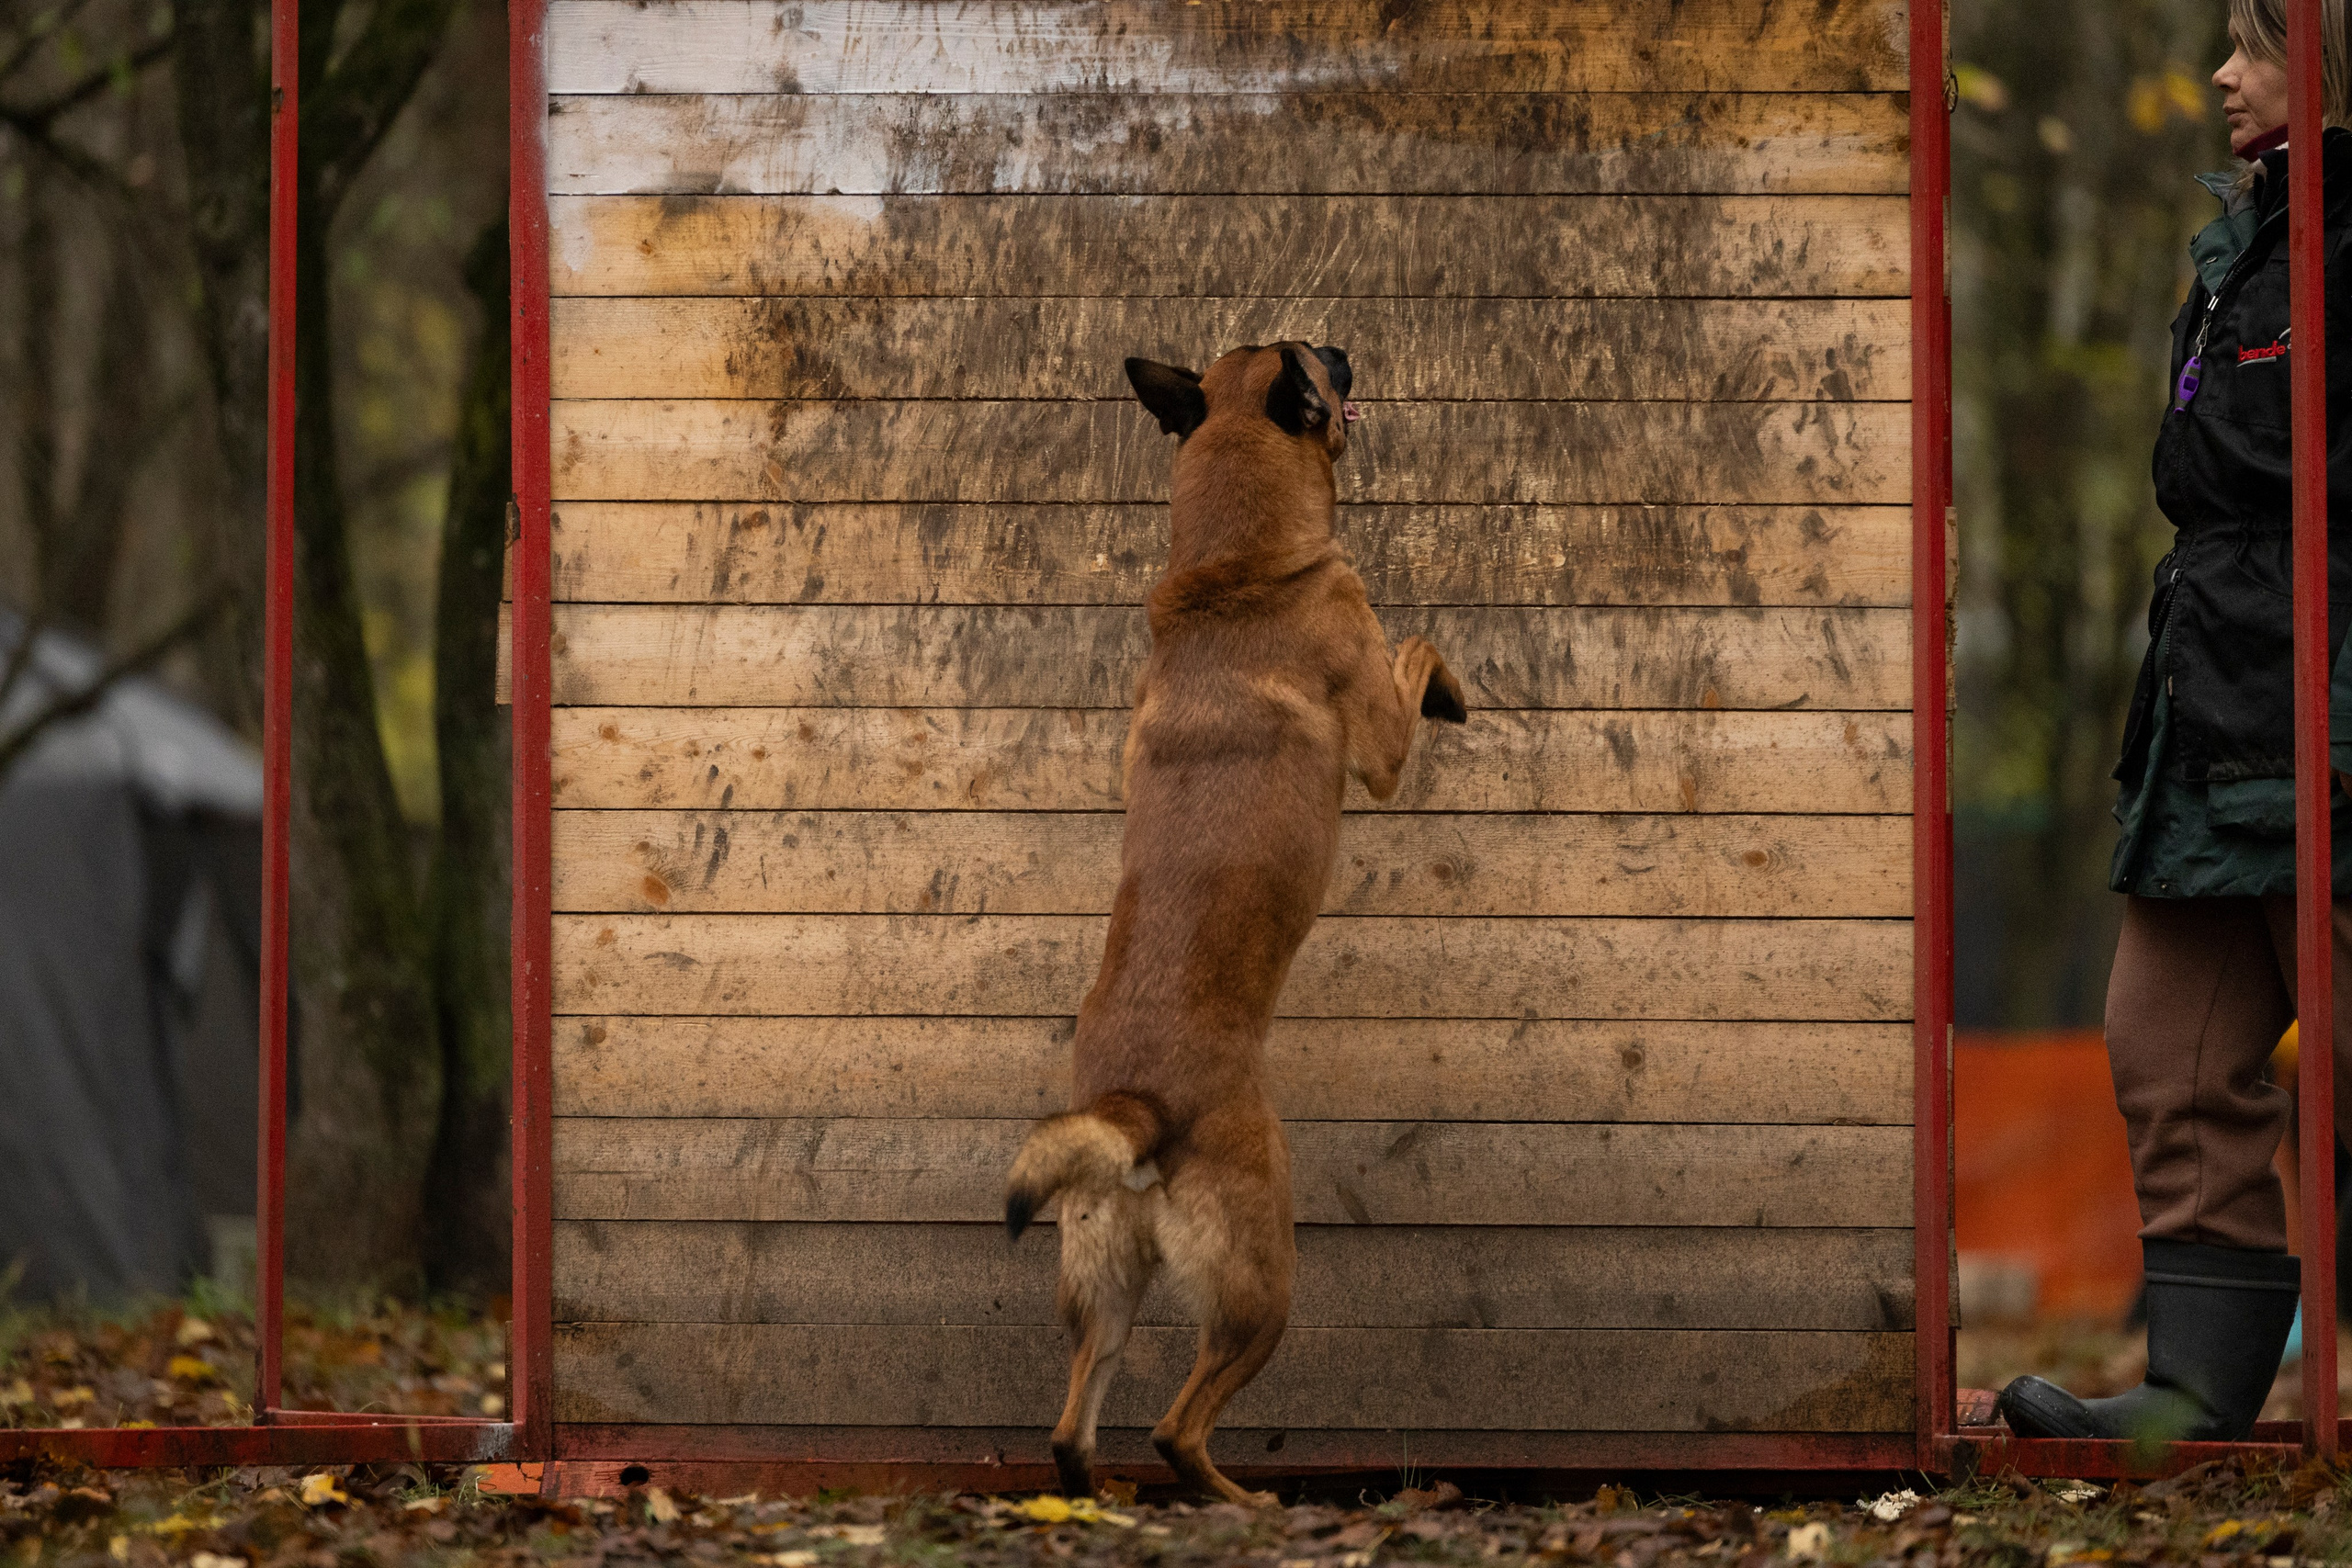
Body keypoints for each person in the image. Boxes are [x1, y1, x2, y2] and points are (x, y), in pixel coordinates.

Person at [1996, 0, 2352, 1443]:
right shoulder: (2244, 244)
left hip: (2330, 702)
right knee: (2163, 1048)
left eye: (2253, 44)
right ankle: (2195, 1403)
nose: (2219, 73)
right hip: (2217, 702)